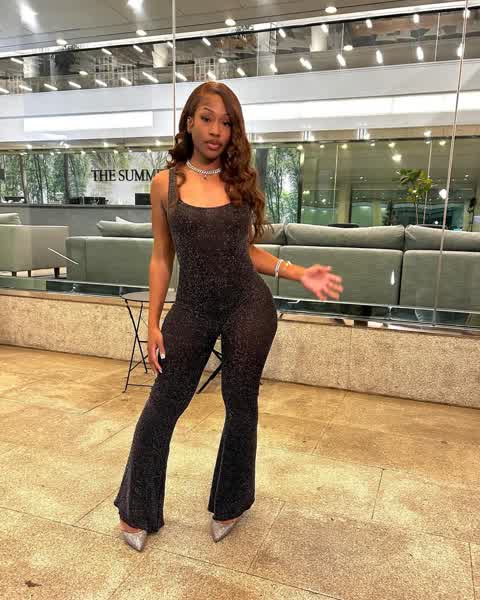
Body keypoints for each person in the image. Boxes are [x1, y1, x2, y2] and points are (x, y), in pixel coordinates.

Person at [113, 81, 343, 552]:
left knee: (241, 405)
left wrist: (299, 273)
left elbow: (246, 251)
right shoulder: (166, 183)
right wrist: (154, 322)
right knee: (163, 405)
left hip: (247, 305)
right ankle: (136, 509)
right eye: (207, 118)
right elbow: (162, 256)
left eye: (226, 122)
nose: (216, 130)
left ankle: (231, 502)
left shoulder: (239, 181)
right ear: (189, 121)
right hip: (192, 308)